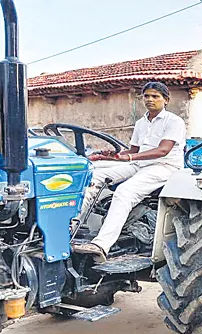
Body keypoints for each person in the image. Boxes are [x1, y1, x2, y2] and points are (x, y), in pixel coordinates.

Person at [72, 82, 186, 262]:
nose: (150, 100)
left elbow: (163, 150)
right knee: (94, 176)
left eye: (155, 96)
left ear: (166, 100)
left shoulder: (174, 121)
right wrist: (106, 156)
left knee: (124, 192)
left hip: (164, 166)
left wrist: (131, 158)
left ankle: (101, 244)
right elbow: (133, 151)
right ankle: (72, 225)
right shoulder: (141, 123)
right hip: (140, 163)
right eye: (146, 96)